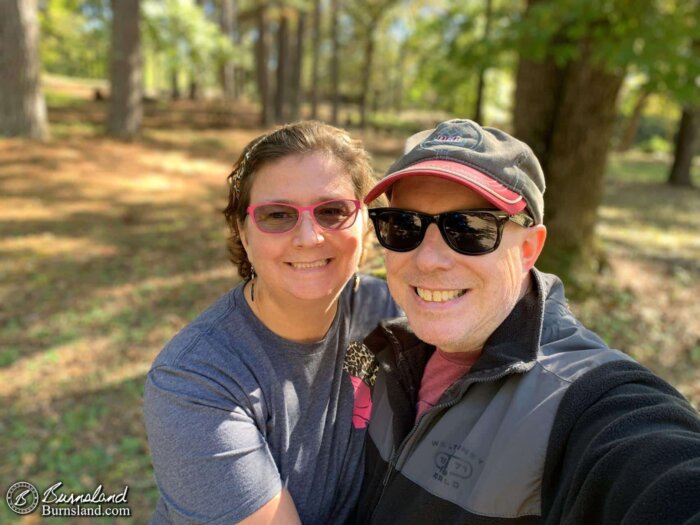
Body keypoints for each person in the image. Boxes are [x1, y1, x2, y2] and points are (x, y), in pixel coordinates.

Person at [355, 119, 700, 524]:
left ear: (529, 249)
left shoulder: (582, 403)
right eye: (404, 226)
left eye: (469, 229)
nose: (428, 259)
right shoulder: (379, 352)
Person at [143, 121, 401, 525]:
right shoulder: (194, 381)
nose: (309, 237)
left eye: (332, 211)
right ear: (243, 234)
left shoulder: (390, 313)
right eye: (277, 215)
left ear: (365, 225)